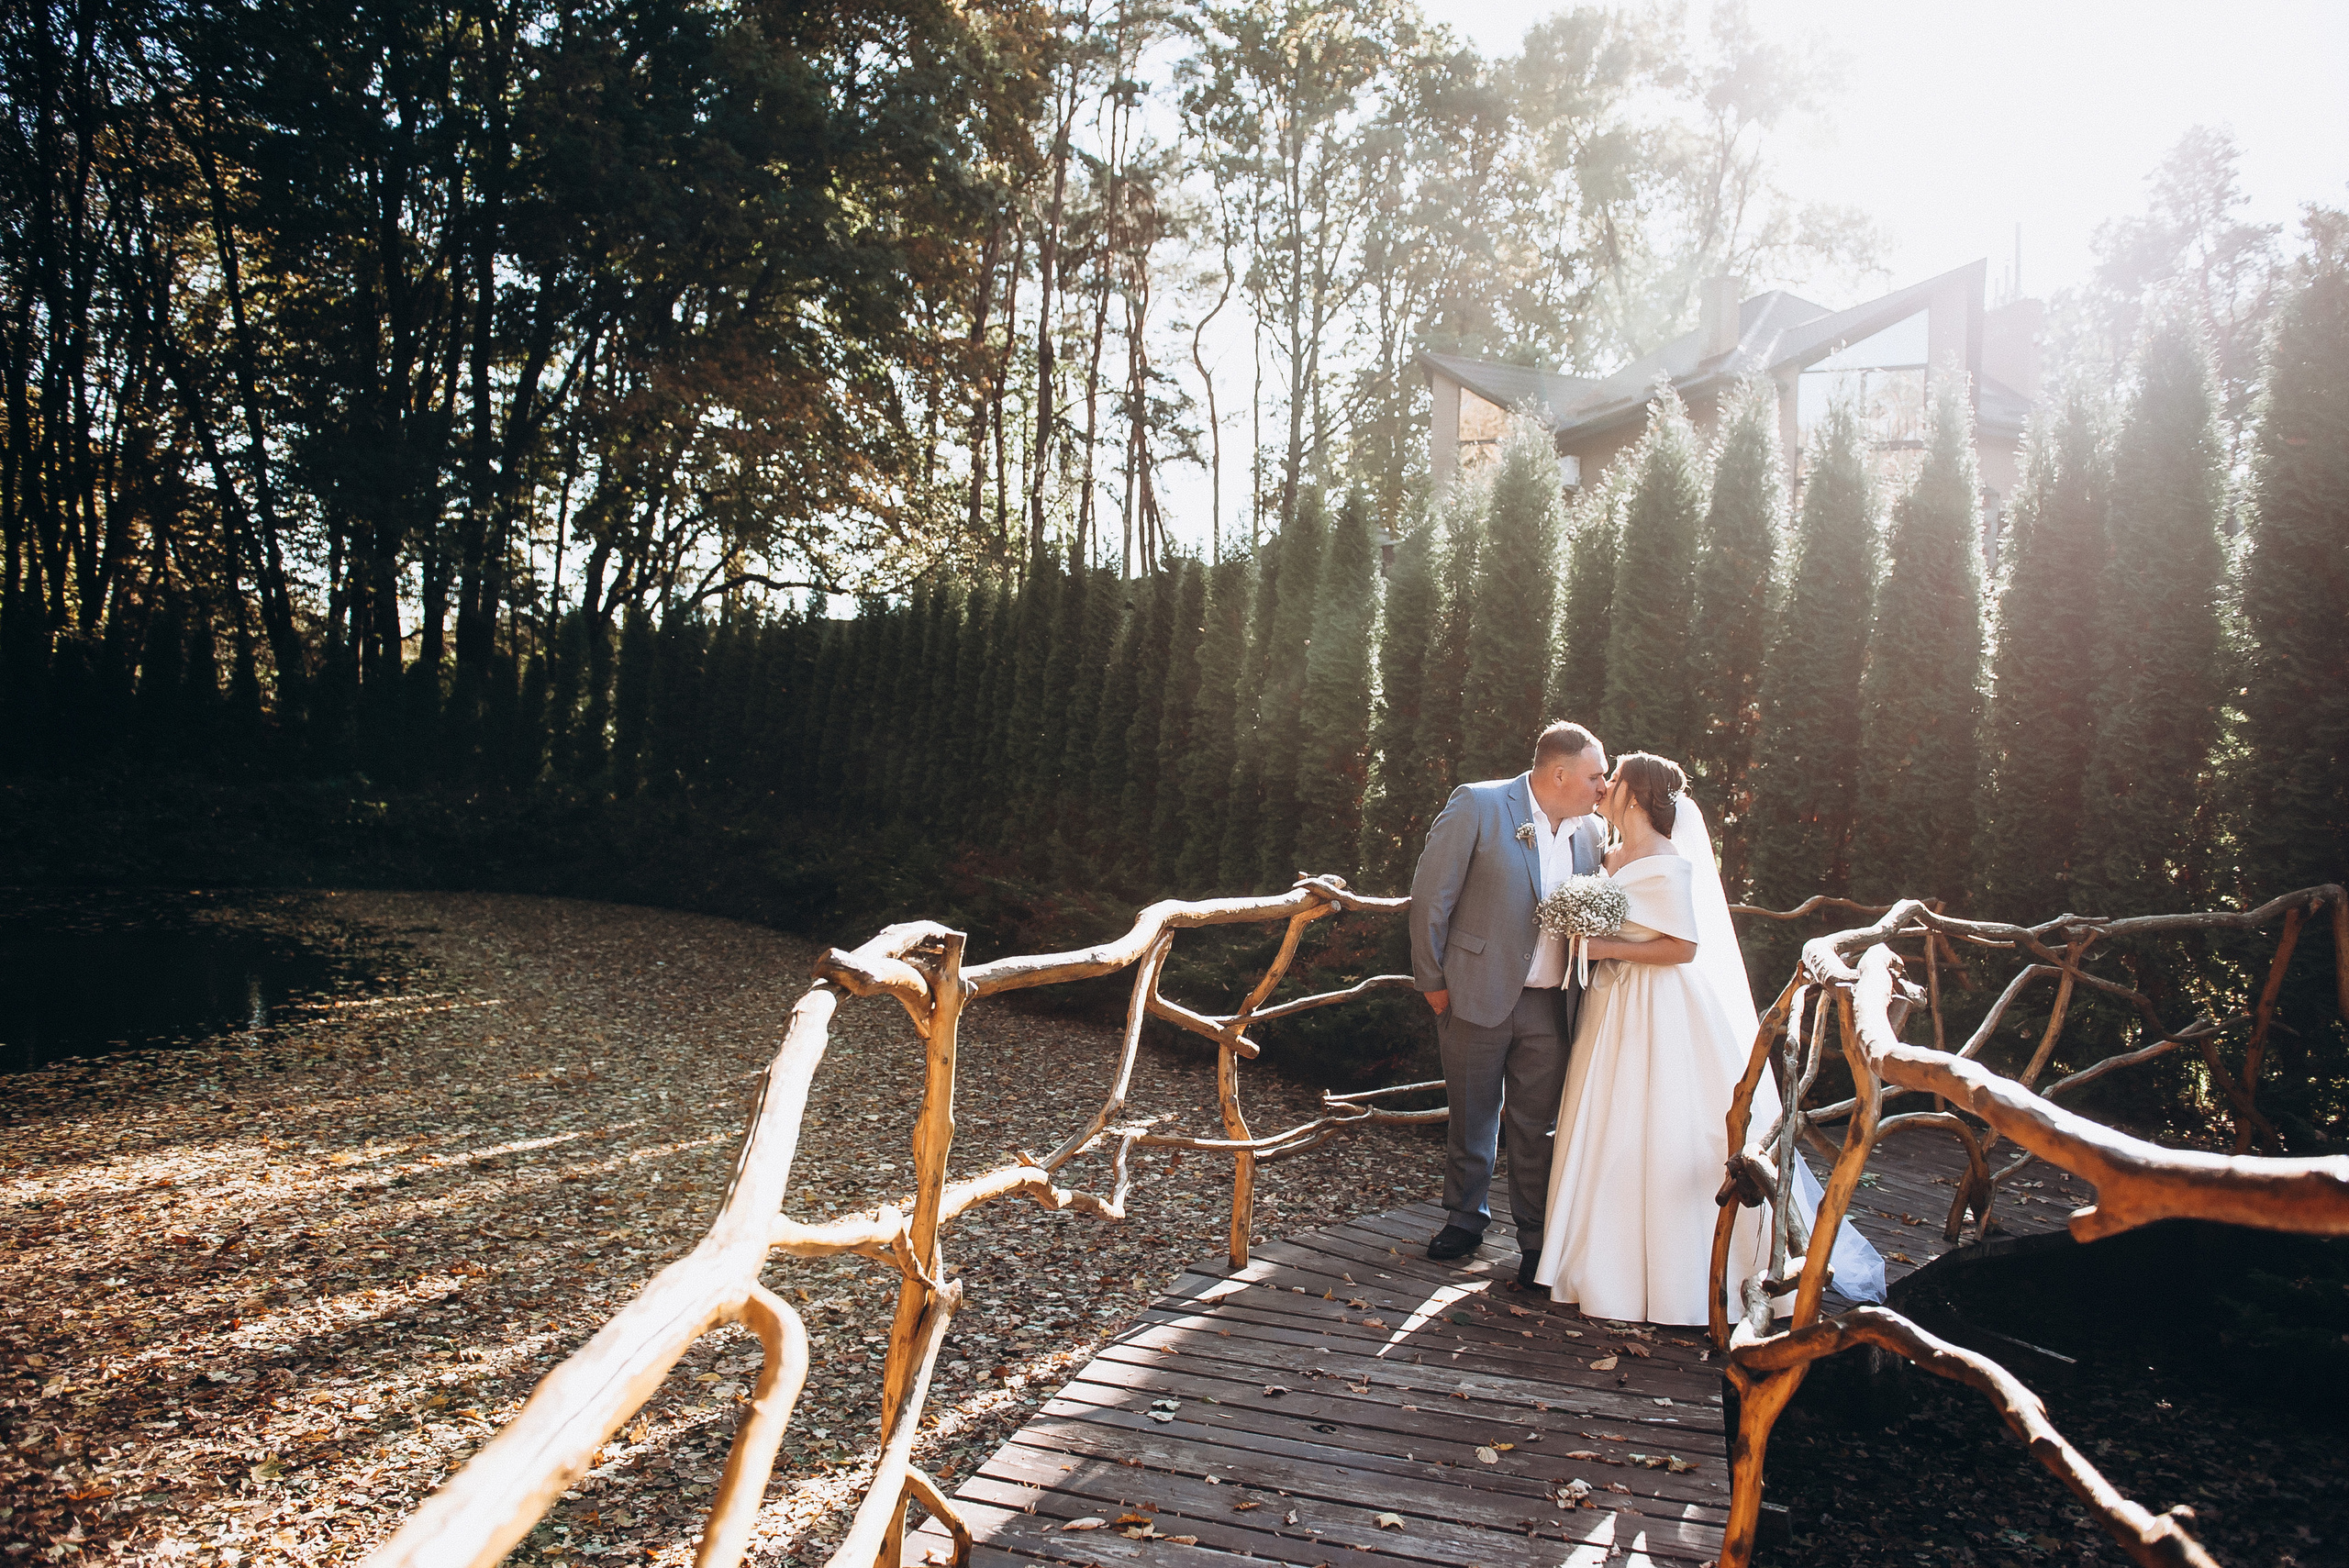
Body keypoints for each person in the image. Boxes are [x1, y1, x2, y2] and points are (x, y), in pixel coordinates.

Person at [1530, 752, 1885, 1325]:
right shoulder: (1607, 852)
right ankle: (1598, 1261)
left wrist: (1603, 948)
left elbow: (1683, 948)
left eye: (1613, 779)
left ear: (1637, 797)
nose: (1605, 786)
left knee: (1665, 1126)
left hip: (1660, 1008)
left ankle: (1683, 1276)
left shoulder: (1670, 860)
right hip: (1612, 1007)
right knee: (1608, 1124)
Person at [1408, 721, 1609, 1287]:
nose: (1604, 784)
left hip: (1553, 1005)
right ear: (1560, 773)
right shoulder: (1479, 804)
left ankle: (1536, 1239)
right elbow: (1432, 897)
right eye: (1596, 774)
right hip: (1473, 992)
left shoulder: (1593, 833)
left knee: (1536, 1128)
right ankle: (1464, 1220)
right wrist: (1433, 983)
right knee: (1472, 1114)